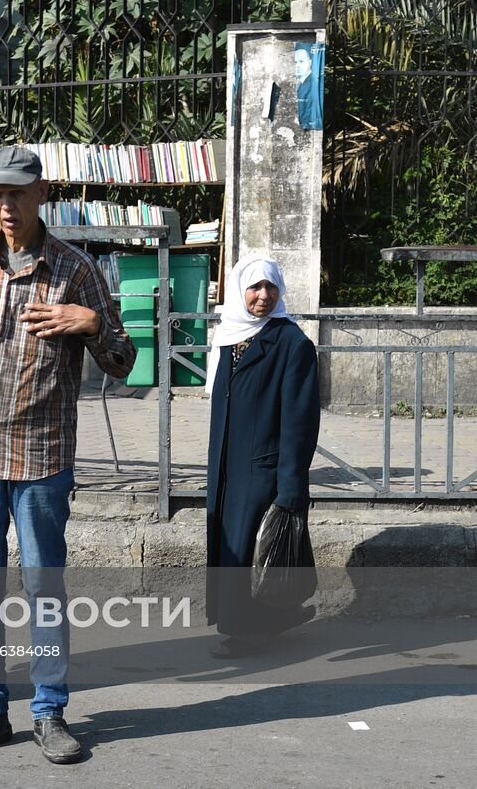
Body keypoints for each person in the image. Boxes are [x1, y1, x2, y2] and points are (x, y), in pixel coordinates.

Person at [0, 146, 135, 763]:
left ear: (43, 193)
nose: (6, 206)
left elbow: (123, 365)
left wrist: (90, 323)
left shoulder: (75, 270)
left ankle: (49, 711)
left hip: (41, 455)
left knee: (44, 584)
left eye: (17, 193)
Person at [205, 255, 320, 658]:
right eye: (255, 287)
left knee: (251, 548)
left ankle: (252, 628)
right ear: (239, 291)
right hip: (227, 466)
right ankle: (261, 620)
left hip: (262, 468)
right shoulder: (230, 336)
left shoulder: (292, 344)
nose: (263, 295)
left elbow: (300, 424)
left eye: (271, 287)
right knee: (233, 547)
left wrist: (291, 489)